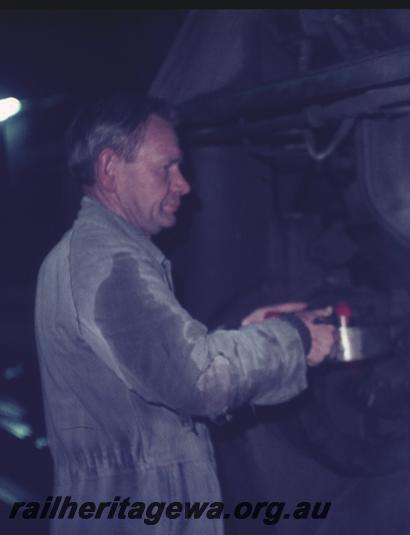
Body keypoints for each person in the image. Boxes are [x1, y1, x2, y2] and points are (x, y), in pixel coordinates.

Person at [33, 94, 336, 535]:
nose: (184, 184)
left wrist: (250, 334)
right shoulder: (110, 262)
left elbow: (159, 377)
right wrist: (293, 337)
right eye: (166, 168)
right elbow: (198, 382)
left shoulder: (79, 256)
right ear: (109, 169)